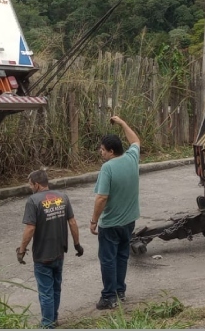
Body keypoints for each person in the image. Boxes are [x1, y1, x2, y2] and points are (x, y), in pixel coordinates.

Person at [17, 169, 84, 329]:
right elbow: (73, 222)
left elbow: (30, 229)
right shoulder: (63, 197)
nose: (30, 187)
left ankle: (47, 325)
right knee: (55, 288)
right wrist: (77, 244)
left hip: (43, 255)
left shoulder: (33, 201)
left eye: (30, 184)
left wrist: (21, 250)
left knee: (46, 292)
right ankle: (53, 318)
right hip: (59, 253)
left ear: (37, 184)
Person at [90, 115, 140, 310]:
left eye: (102, 149)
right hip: (129, 221)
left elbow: (102, 197)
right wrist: (122, 123)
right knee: (122, 257)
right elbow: (135, 140)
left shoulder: (108, 168)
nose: (100, 152)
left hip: (110, 224)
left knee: (108, 260)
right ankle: (120, 291)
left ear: (111, 151)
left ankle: (109, 297)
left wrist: (94, 220)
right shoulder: (131, 157)